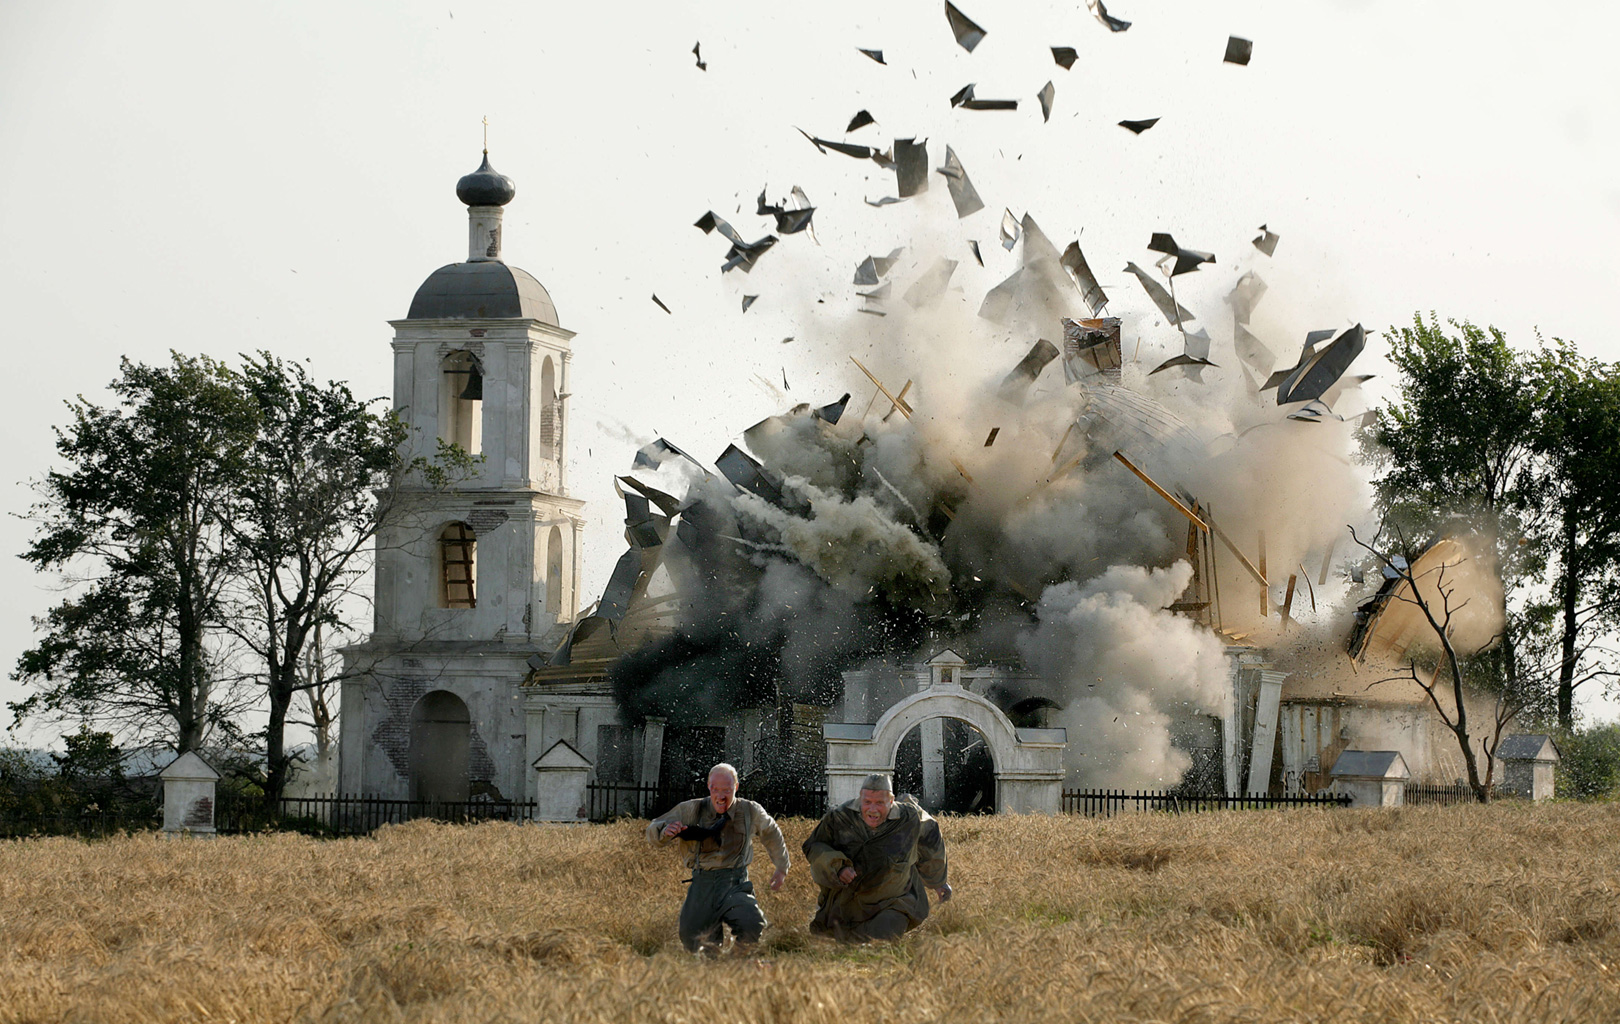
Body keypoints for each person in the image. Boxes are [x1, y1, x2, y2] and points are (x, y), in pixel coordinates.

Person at [647, 762, 789, 955]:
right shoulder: (691, 809)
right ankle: (713, 969)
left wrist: (781, 867)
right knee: (692, 939)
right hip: (702, 884)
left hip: (735, 883)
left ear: (736, 787)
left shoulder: (750, 811)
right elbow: (654, 828)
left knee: (753, 925)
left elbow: (772, 833)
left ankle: (732, 966)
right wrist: (664, 832)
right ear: (709, 787)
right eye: (716, 789)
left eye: (727, 790)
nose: (721, 796)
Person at [802, 773, 951, 942]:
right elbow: (813, 846)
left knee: (879, 941)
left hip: (893, 904)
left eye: (879, 803)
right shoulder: (839, 817)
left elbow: (931, 838)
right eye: (867, 802)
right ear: (860, 798)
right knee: (831, 946)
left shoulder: (911, 817)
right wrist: (838, 867)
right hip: (846, 906)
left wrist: (937, 881)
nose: (872, 809)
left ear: (891, 800)